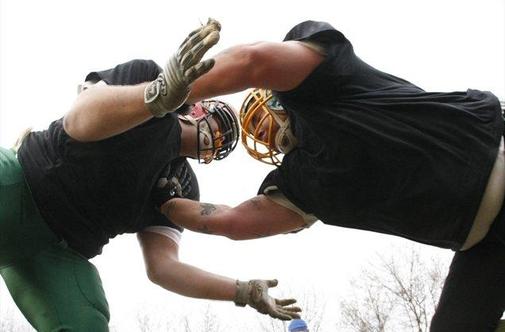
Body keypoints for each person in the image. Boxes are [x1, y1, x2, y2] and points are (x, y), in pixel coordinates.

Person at [160, 20, 505, 332]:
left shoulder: (323, 85)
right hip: (484, 243)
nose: (265, 131)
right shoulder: (301, 184)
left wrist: (159, 96)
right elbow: (231, 222)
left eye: (263, 120)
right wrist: (164, 201)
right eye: (260, 133)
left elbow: (254, 61)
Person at [0, 19, 301, 332]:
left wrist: (241, 291)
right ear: (199, 109)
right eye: (219, 125)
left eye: (226, 140)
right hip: (19, 185)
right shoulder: (147, 78)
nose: (220, 137)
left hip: (58, 256)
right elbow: (78, 118)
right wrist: (156, 96)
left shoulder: (183, 185)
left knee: (87, 322)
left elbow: (163, 268)